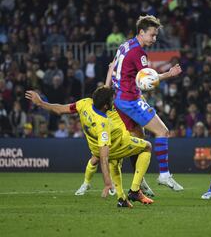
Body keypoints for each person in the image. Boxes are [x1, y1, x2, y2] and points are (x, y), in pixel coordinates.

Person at [25, 86, 154, 208]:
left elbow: (59, 109)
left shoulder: (84, 103)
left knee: (114, 163)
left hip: (95, 147)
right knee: (147, 147)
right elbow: (104, 157)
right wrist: (107, 182)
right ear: (105, 106)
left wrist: (41, 103)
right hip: (117, 145)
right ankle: (135, 190)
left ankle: (121, 199)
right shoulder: (102, 125)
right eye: (111, 100)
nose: (113, 101)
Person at [105, 15, 183, 191]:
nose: (154, 39)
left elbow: (114, 66)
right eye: (152, 35)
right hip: (130, 100)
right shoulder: (139, 52)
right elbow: (147, 80)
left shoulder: (125, 44)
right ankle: (164, 175)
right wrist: (168, 74)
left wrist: (107, 86)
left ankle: (138, 182)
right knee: (162, 131)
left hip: (119, 99)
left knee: (139, 141)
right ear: (141, 32)